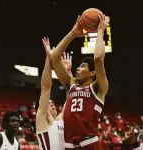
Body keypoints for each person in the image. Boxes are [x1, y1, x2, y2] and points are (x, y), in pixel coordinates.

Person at [44, 14, 108, 149]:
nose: (78, 68)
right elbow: (54, 57)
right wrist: (73, 33)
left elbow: (98, 59)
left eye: (83, 66)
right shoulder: (72, 85)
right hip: (70, 145)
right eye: (79, 66)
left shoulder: (98, 87)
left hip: (89, 143)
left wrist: (100, 32)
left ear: (92, 73)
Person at [36, 42, 72, 150]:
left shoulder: (60, 121)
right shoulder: (42, 120)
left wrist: (68, 73)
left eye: (53, 103)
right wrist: (48, 60)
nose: (52, 104)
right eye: (49, 103)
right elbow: (46, 87)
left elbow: (71, 97)